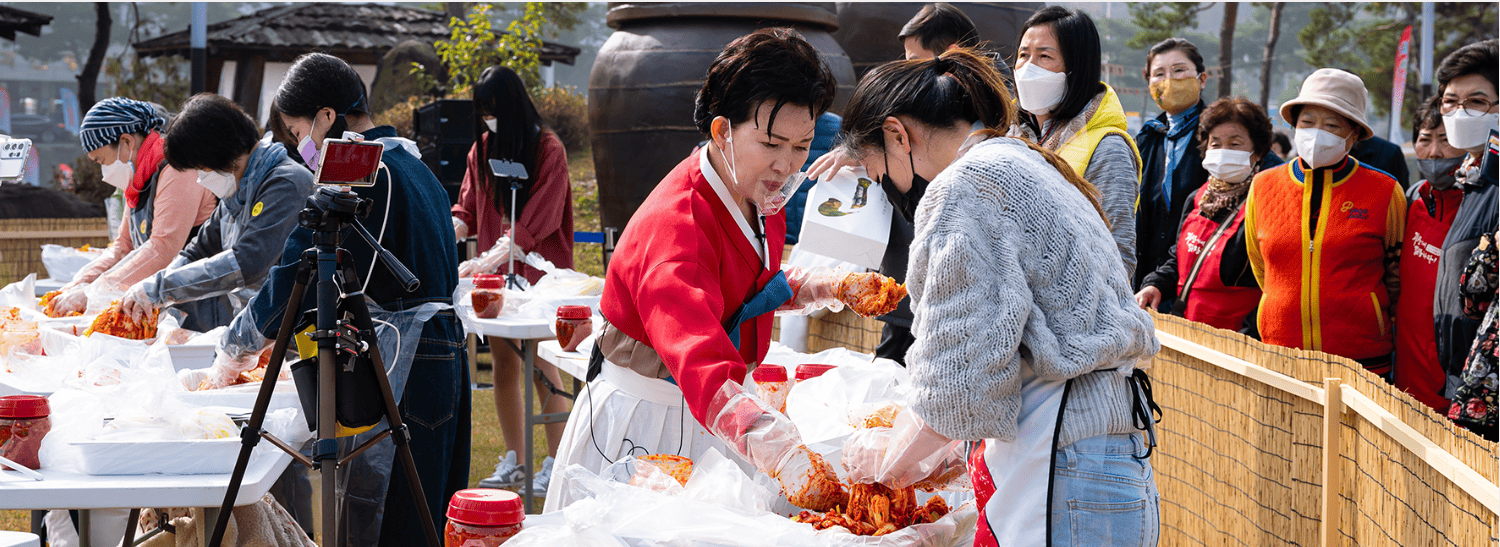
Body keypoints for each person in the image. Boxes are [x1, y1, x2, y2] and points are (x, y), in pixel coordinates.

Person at [827, 48, 1160, 547]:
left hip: (1061, 460)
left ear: (898, 135)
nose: (888, 190)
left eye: (879, 174)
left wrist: (883, 468)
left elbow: (959, 381)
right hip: (1106, 454)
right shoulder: (1022, 162)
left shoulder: (964, 185)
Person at [546, 28, 853, 514]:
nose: (785, 165)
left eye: (801, 146)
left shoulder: (757, 195)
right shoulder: (678, 225)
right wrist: (768, 438)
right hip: (654, 420)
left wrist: (823, 285)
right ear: (722, 131)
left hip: (725, 412)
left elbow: (746, 287)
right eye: (772, 143)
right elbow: (697, 351)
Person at [214, 52, 467, 545]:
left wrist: (240, 340)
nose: (298, 146)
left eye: (296, 131)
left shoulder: (362, 168)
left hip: (406, 356)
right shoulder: (412, 163)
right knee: (429, 504)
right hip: (444, 348)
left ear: (327, 116)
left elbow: (300, 269)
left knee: (394, 511)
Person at [452, 65, 576, 497]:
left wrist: (496, 252)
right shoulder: (481, 148)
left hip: (539, 278)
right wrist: (447, 233)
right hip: (496, 284)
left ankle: (556, 463)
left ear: (511, 107)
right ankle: (517, 463)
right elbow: (466, 211)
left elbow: (536, 222)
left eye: (493, 110)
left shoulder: (548, 149)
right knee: (504, 363)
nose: (487, 119)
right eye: (482, 112)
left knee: (544, 364)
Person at [1244, 68, 1406, 375]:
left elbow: (1395, 272)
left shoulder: (1384, 190)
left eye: (1332, 125)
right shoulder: (1263, 185)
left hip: (1361, 357)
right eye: (1307, 122)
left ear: (1354, 133)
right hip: (1282, 352)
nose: (1317, 133)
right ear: (1294, 125)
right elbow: (1260, 263)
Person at [118, 94, 314, 333]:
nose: (201, 178)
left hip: (296, 337)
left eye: (202, 168)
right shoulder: (236, 192)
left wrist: (161, 288)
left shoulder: (287, 183)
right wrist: (155, 285)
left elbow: (248, 262)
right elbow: (199, 249)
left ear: (221, 154)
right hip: (255, 331)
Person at [48, 98, 217, 316]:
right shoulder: (138, 180)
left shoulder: (178, 169)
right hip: (157, 306)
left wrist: (93, 292)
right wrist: (77, 285)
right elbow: (123, 247)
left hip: (198, 308)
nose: (104, 173)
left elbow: (162, 248)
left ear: (127, 141)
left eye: (101, 161)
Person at [1009, 6, 1141, 278]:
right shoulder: (1010, 137)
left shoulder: (1108, 149)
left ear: (1077, 68)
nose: (1027, 67)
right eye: (1023, 55)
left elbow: (1117, 258)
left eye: (1044, 56)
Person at [1136, 97, 1279, 333]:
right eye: (1215, 143)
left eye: (1235, 144)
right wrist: (1156, 285)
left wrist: (1250, 334)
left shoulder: (1265, 204)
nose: (1223, 152)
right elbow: (1178, 260)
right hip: (1188, 331)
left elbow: (1273, 283)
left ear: (1258, 152)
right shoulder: (1198, 197)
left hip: (1236, 342)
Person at [1394, 96, 1470, 412]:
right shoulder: (1409, 202)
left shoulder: (1481, 210)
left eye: (1447, 140)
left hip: (1454, 386)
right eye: (1425, 140)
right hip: (1405, 379)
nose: (1435, 152)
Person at [1434, 40, 1499, 406]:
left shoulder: (1496, 181)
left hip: (1490, 388)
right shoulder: (1473, 180)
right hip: (1464, 376)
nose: (1459, 113)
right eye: (1449, 101)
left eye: (1476, 102)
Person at [1134, 38, 1210, 295]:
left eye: (1179, 71)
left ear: (1202, 79)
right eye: (1158, 74)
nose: (1168, 80)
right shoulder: (1145, 139)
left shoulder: (1222, 136)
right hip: (1144, 284)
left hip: (1198, 278)